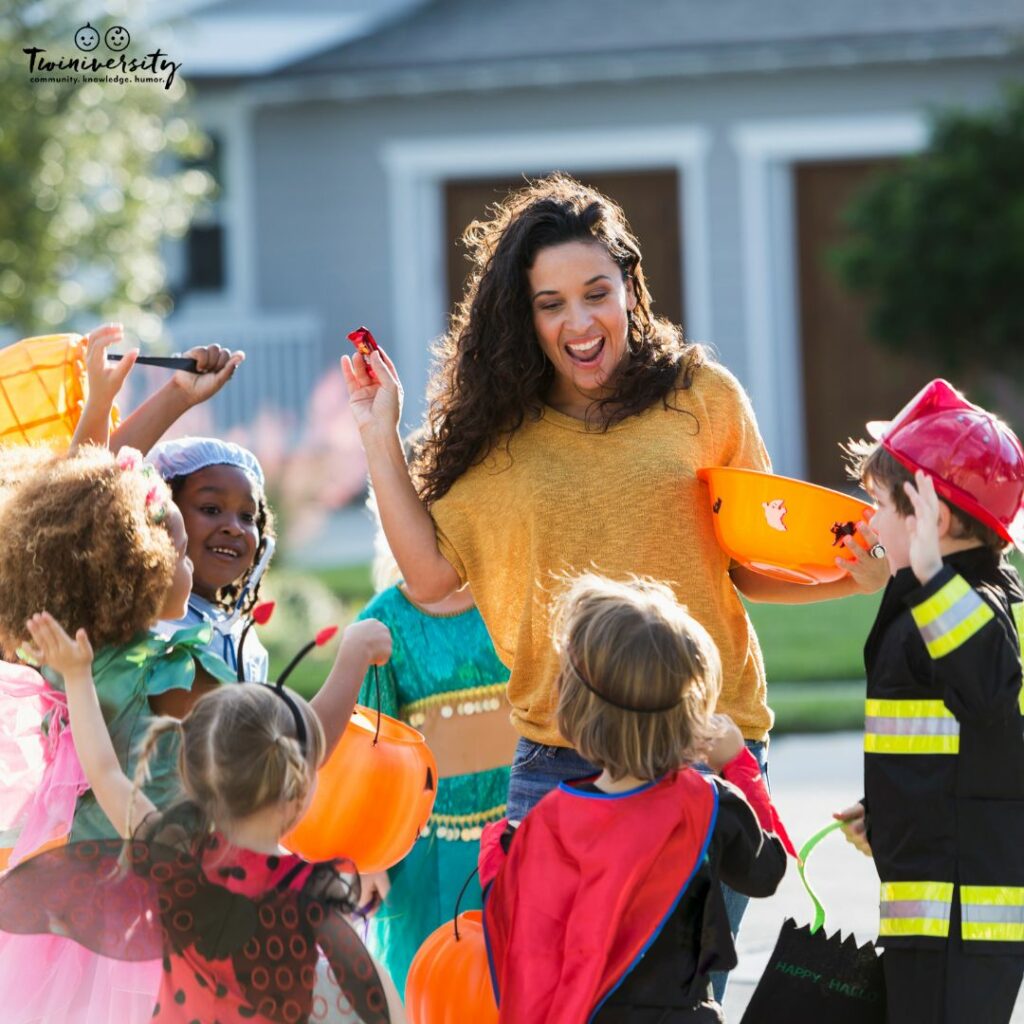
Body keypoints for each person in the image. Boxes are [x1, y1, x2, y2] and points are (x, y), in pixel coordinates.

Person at [341, 174, 887, 994]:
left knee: (678, 998)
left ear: (631, 287)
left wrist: (852, 579)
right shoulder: (496, 435)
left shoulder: (703, 399)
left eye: (597, 293)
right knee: (556, 1001)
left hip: (704, 748)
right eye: (551, 302)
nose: (580, 322)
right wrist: (379, 436)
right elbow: (432, 572)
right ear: (524, 317)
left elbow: (746, 566)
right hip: (560, 763)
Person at [0, 608, 403, 1024]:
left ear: (191, 774)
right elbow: (380, 1003)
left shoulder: (176, 860)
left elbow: (105, 773)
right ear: (300, 794)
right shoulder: (307, 894)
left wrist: (78, 674)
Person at [478, 573, 792, 1023]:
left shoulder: (551, 822)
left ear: (572, 710)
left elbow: (527, 940)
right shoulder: (710, 805)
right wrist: (738, 764)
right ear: (692, 711)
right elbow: (766, 872)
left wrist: (500, 850)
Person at [834, 379, 1024, 1024]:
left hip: (960, 916)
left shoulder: (958, 606)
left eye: (882, 503)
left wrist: (930, 579)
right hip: (942, 906)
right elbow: (979, 745)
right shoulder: (961, 600)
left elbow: (987, 691)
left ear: (932, 518)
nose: (869, 521)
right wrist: (888, 801)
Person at [354, 470, 516, 995]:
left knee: (511, 981)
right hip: (423, 848)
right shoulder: (383, 623)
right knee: (433, 984)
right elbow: (370, 750)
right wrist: (370, 855)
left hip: (514, 834)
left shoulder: (508, 599)